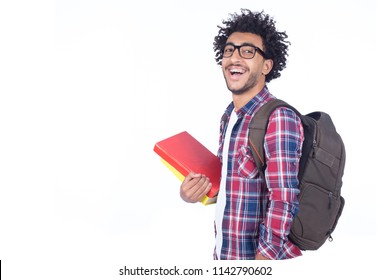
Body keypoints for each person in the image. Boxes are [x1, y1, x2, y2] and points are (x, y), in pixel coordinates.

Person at [180, 9, 304, 260]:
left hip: (260, 263)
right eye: (229, 50)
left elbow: (284, 199)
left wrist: (261, 265)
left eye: (248, 51)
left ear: (267, 65)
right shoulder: (230, 116)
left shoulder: (278, 118)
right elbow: (231, 187)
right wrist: (195, 193)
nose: (235, 58)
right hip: (227, 256)